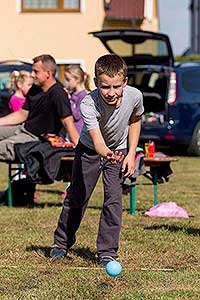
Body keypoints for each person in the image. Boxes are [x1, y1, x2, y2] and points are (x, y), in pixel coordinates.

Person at [50, 54, 144, 266]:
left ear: (125, 82)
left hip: (119, 151)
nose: (111, 93)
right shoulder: (88, 103)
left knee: (113, 200)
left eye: (116, 87)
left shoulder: (135, 96)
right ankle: (61, 243)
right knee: (77, 197)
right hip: (90, 150)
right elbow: (98, 142)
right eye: (105, 87)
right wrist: (109, 154)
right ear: (95, 83)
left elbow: (135, 121)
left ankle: (107, 252)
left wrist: (130, 154)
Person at [0, 54, 79, 161]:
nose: (32, 75)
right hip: (23, 128)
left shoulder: (58, 93)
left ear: (48, 74)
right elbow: (22, 114)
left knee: (2, 147)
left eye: (36, 71)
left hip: (37, 138)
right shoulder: (35, 89)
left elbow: (67, 121)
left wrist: (80, 149)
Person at [64, 65, 91, 134]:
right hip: (71, 130)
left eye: (68, 80)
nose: (66, 83)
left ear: (77, 79)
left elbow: (77, 115)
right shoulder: (73, 93)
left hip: (78, 131)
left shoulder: (82, 95)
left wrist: (69, 100)